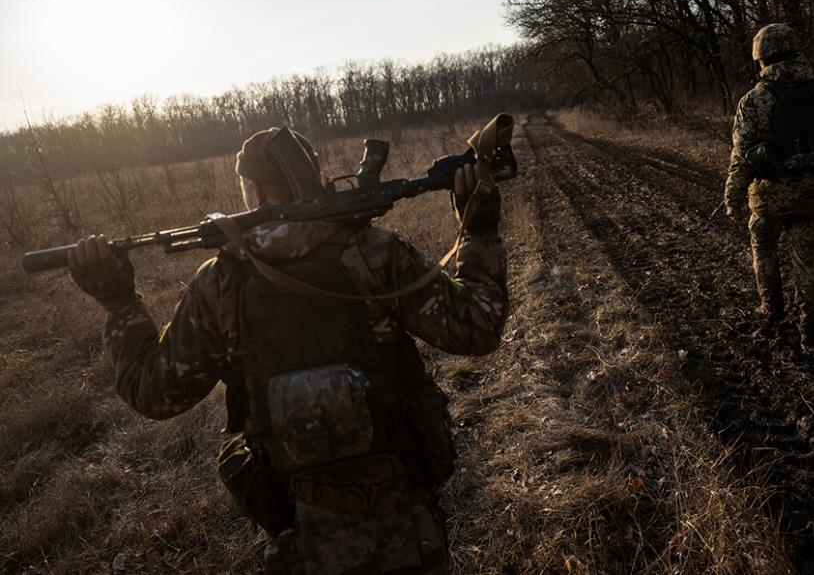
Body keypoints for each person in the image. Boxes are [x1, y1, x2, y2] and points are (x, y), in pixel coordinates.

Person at [66, 125, 509, 574]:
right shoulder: (378, 254)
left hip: (302, 540)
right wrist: (480, 230)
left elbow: (153, 393)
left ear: (252, 192)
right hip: (408, 531)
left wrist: (119, 302)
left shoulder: (219, 283)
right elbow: (479, 328)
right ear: (317, 177)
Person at [724, 23, 814, 346]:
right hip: (812, 194)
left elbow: (742, 157)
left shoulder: (753, 101)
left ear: (761, 58)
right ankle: (812, 328)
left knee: (764, 250)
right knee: (807, 262)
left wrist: (732, 198)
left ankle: (771, 311)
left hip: (768, 197)